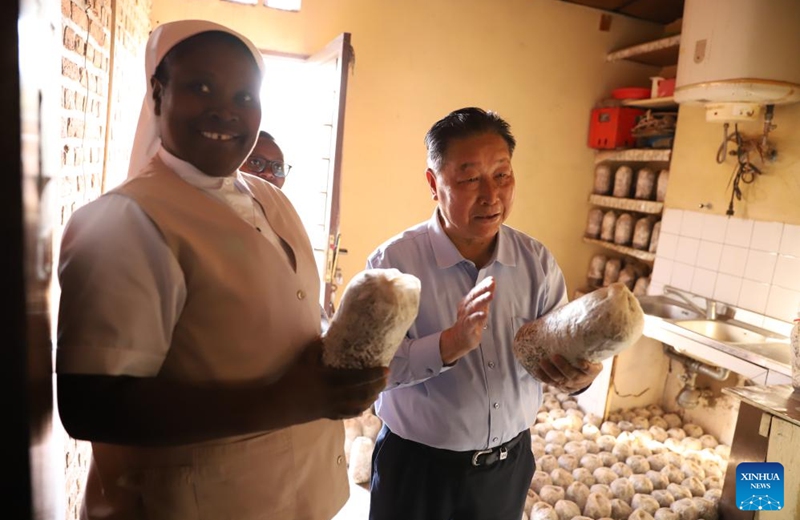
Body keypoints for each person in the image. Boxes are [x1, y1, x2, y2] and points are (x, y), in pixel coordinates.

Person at [55, 19, 387, 520]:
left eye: (245, 96)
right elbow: (91, 405)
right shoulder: (126, 221)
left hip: (296, 494)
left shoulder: (271, 201)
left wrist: (338, 365)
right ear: (158, 93)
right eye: (200, 87)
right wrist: (287, 401)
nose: (225, 109)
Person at [366, 107, 603, 520]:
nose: (491, 195)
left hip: (507, 468)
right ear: (433, 183)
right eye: (469, 178)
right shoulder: (394, 263)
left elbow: (561, 349)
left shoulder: (536, 262)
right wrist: (447, 345)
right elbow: (370, 370)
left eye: (502, 175)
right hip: (419, 471)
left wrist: (579, 376)